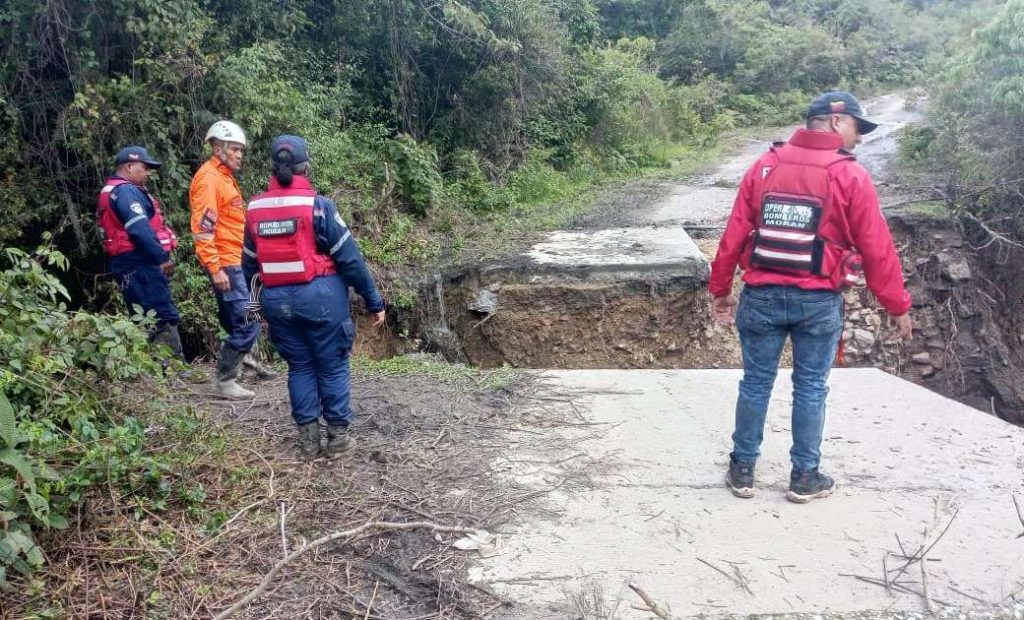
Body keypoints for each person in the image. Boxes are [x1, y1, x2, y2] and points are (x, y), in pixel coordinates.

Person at [709, 91, 914, 504]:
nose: (860, 139)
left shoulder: (765, 165)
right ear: (837, 123)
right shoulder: (850, 175)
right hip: (818, 303)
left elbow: (734, 232)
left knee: (755, 383)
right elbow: (877, 247)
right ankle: (804, 476)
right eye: (859, 128)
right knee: (811, 388)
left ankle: (743, 469)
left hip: (761, 296)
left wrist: (721, 290)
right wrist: (896, 305)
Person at [242, 135, 386, 461]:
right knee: (332, 368)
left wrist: (257, 305)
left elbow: (248, 265)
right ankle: (337, 441)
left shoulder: (255, 209)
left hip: (277, 303)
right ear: (305, 166)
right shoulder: (318, 207)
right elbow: (349, 259)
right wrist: (373, 300)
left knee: (300, 367)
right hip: (321, 300)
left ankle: (308, 443)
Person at [189, 120, 275, 399]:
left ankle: (245, 365)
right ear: (218, 148)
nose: (239, 155)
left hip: (235, 260)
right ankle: (225, 381)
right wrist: (215, 268)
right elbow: (203, 229)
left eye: (241, 150)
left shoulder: (224, 177)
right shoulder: (209, 179)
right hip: (226, 263)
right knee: (247, 320)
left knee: (235, 318)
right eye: (235, 149)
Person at [97, 146, 184, 358]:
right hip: (140, 262)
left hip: (129, 263)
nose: (148, 173)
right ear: (128, 166)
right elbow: (139, 230)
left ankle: (164, 368)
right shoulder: (126, 192)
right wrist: (161, 258)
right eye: (144, 168)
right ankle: (172, 369)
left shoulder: (113, 190)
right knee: (159, 314)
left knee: (145, 314)